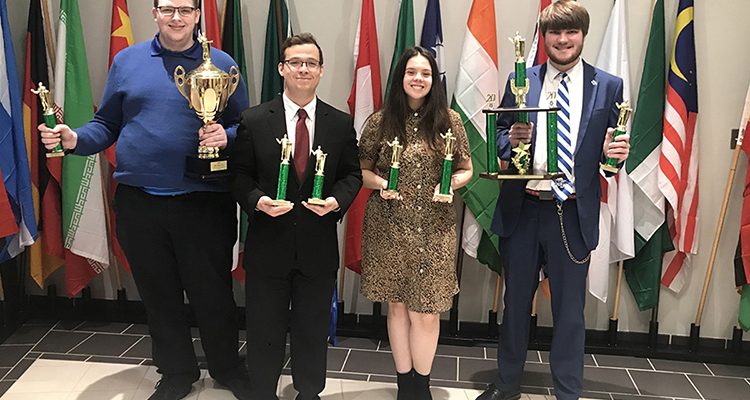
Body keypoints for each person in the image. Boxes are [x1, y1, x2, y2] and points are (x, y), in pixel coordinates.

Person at [39, 1, 250, 399]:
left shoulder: (221, 64)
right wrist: (74, 139)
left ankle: (227, 367)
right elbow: (107, 124)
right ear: (154, 13)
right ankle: (176, 373)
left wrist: (227, 136)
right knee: (158, 294)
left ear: (197, 15)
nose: (176, 17)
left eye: (185, 9)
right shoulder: (127, 61)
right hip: (140, 204)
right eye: (168, 8)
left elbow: (244, 126)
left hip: (203, 203)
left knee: (213, 294)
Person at [476, 1, 630, 400]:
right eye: (555, 32)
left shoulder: (608, 86)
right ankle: (506, 385)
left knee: (570, 312)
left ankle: (567, 392)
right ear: (543, 37)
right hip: (524, 209)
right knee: (515, 307)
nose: (563, 40)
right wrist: (509, 142)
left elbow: (609, 155)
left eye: (571, 31)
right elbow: (499, 134)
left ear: (583, 35)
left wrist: (615, 157)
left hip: (572, 212)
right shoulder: (521, 79)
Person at [230, 33, 362, 400]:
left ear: (321, 71)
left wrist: (336, 201)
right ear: (281, 68)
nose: (303, 69)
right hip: (268, 245)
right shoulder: (255, 120)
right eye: (295, 62)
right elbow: (238, 176)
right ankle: (262, 391)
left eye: (311, 63)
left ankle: (309, 391)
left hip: (317, 247)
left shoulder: (339, 123)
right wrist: (258, 201)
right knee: (264, 329)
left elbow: (352, 174)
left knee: (312, 329)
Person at [358, 47, 473, 400]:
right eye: (411, 72)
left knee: (426, 312)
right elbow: (362, 171)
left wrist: (450, 185)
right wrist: (382, 184)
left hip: (434, 228)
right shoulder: (380, 121)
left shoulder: (449, 121)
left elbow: (467, 169)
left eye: (425, 73)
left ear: (433, 80)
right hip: (389, 226)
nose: (418, 79)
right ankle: (404, 385)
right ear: (401, 77)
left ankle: (420, 388)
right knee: (397, 306)